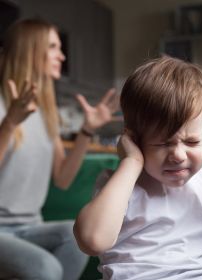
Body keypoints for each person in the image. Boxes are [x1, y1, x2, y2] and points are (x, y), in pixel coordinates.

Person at [73, 56, 202, 280]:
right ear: (134, 139)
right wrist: (131, 163)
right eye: (163, 143)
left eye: (192, 142)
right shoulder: (119, 185)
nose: (178, 155)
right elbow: (92, 241)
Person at [0, 18, 120, 279]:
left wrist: (86, 131)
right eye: (53, 47)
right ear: (31, 50)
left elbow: (63, 178)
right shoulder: (3, 106)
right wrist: (9, 123)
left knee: (76, 237)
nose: (62, 55)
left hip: (29, 225)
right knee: (45, 268)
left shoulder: (45, 112)